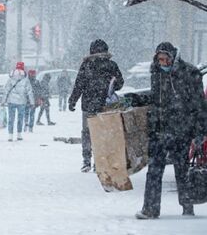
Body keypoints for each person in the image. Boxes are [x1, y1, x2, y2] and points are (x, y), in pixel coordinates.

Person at [136, 42, 206, 219]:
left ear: (173, 57)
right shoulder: (156, 72)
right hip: (159, 130)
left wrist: (200, 131)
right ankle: (150, 209)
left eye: (166, 59)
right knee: (154, 170)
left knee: (181, 169)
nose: (163, 63)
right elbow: (157, 99)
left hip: (181, 130)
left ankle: (187, 206)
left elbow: (199, 106)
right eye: (160, 60)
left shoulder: (189, 73)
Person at [69, 39, 124, 173]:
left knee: (87, 133)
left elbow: (79, 84)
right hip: (105, 105)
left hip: (88, 105)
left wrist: (73, 100)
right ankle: (99, 161)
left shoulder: (86, 65)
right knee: (103, 133)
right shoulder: (111, 65)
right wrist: (111, 85)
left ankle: (86, 160)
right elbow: (120, 83)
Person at [3, 62, 34, 142]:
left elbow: (6, 90)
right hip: (21, 102)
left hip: (11, 101)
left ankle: (10, 135)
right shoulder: (25, 79)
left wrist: (3, 101)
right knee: (20, 118)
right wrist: (32, 102)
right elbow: (29, 92)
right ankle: (19, 134)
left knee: (11, 118)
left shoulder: (11, 78)